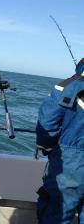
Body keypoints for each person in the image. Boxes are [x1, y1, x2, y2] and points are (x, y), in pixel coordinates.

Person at [35, 58, 84, 224]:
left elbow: (47, 123)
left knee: (56, 214)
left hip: (70, 162)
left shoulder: (67, 86)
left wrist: (47, 148)